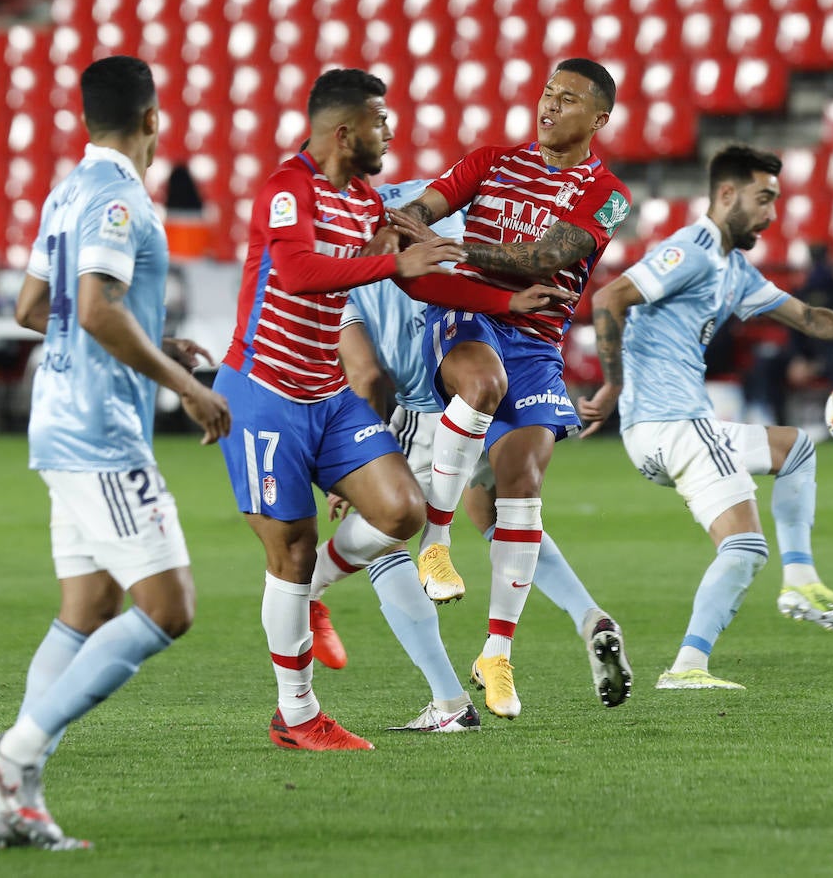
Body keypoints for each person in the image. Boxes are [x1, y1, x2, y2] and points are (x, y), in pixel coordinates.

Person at [213, 69, 574, 749]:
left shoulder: (366, 200)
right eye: (381, 122)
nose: (392, 132)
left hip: (328, 393)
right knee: (286, 551)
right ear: (346, 131)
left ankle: (311, 592)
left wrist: (504, 303)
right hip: (266, 394)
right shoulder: (287, 191)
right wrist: (390, 268)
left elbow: (421, 276)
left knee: (403, 512)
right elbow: (295, 272)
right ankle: (296, 715)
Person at [0, 55, 232, 850]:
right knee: (170, 606)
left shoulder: (66, 190)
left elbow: (28, 305)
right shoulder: (119, 197)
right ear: (153, 120)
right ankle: (14, 756)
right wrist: (184, 386)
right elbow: (92, 308)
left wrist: (156, 343)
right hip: (100, 432)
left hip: (56, 421)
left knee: (89, 611)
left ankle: (15, 801)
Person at [579, 144, 833, 691]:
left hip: (672, 429)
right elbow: (610, 297)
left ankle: (801, 581)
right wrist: (615, 382)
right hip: (672, 423)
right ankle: (688, 668)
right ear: (726, 194)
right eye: (763, 199)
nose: (771, 214)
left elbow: (808, 316)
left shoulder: (733, 268)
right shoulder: (691, 249)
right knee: (744, 547)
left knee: (794, 448)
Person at [326, 178, 631, 709]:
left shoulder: (343, 247)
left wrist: (356, 463)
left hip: (425, 408)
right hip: (501, 366)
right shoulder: (442, 202)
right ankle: (584, 615)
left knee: (385, 538)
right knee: (500, 508)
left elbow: (370, 377)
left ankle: (448, 702)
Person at [388, 58, 632, 720]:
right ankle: (434, 546)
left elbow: (543, 258)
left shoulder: (610, 193)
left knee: (518, 481)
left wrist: (446, 243)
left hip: (537, 341)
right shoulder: (490, 160)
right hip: (471, 314)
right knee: (479, 382)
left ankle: (496, 652)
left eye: (570, 99)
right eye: (547, 93)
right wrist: (417, 227)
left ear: (599, 119)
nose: (550, 106)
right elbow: (415, 212)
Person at [744, 243, 833, 426]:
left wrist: (816, 365)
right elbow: (794, 331)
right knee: (767, 363)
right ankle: (780, 422)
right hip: (808, 356)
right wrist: (797, 359)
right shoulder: (801, 292)